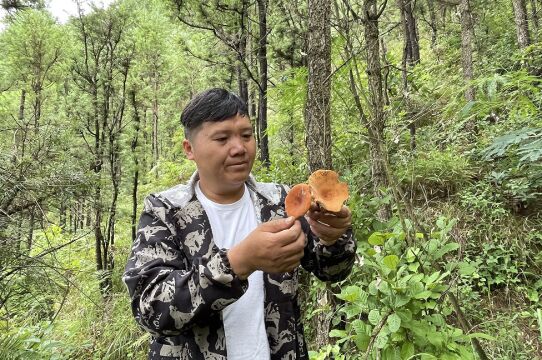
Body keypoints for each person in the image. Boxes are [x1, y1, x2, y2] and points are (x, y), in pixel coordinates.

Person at [123, 88, 356, 360]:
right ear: (190, 149)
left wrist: (332, 238)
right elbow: (150, 308)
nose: (239, 148)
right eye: (222, 138)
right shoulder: (166, 211)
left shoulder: (279, 201)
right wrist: (238, 263)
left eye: (246, 135)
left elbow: (332, 271)